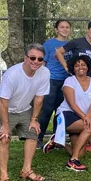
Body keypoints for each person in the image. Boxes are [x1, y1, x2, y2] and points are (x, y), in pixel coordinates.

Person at [0, 43, 50, 181]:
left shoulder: (45, 72)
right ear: (26, 58)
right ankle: (3, 176)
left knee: (33, 133)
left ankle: (26, 170)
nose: (36, 61)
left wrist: (34, 120)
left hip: (24, 108)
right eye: (32, 57)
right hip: (4, 108)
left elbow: (39, 98)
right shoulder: (12, 74)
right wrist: (5, 125)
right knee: (4, 137)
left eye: (40, 59)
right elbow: (3, 102)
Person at [49, 54, 91, 172]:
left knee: (80, 152)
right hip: (65, 116)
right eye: (77, 65)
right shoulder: (69, 81)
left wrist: (87, 116)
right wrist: (86, 118)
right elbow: (72, 104)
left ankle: (58, 142)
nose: (80, 67)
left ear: (88, 66)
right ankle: (73, 161)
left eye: (83, 65)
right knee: (89, 127)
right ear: (73, 68)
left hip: (81, 118)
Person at [37, 19, 71, 149]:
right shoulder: (49, 44)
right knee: (47, 109)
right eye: (62, 27)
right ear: (57, 29)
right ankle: (39, 138)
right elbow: (43, 63)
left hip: (66, 81)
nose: (65, 29)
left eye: (67, 27)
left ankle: (57, 139)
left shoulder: (71, 44)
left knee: (61, 111)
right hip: (51, 80)